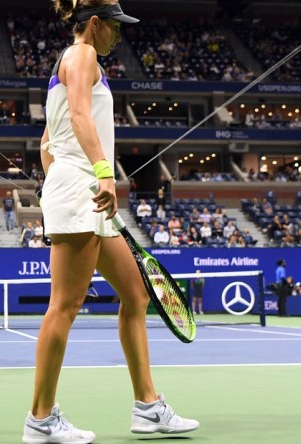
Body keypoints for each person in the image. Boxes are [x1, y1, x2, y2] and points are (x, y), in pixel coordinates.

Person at [24, 2, 198, 443]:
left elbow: (48, 143)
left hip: (81, 192)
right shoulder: (81, 55)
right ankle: (40, 420)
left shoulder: (69, 64)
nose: (118, 34)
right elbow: (81, 116)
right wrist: (101, 173)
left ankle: (148, 407)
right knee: (64, 306)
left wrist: (65, 179)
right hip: (84, 189)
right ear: (95, 24)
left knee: (136, 295)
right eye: (115, 26)